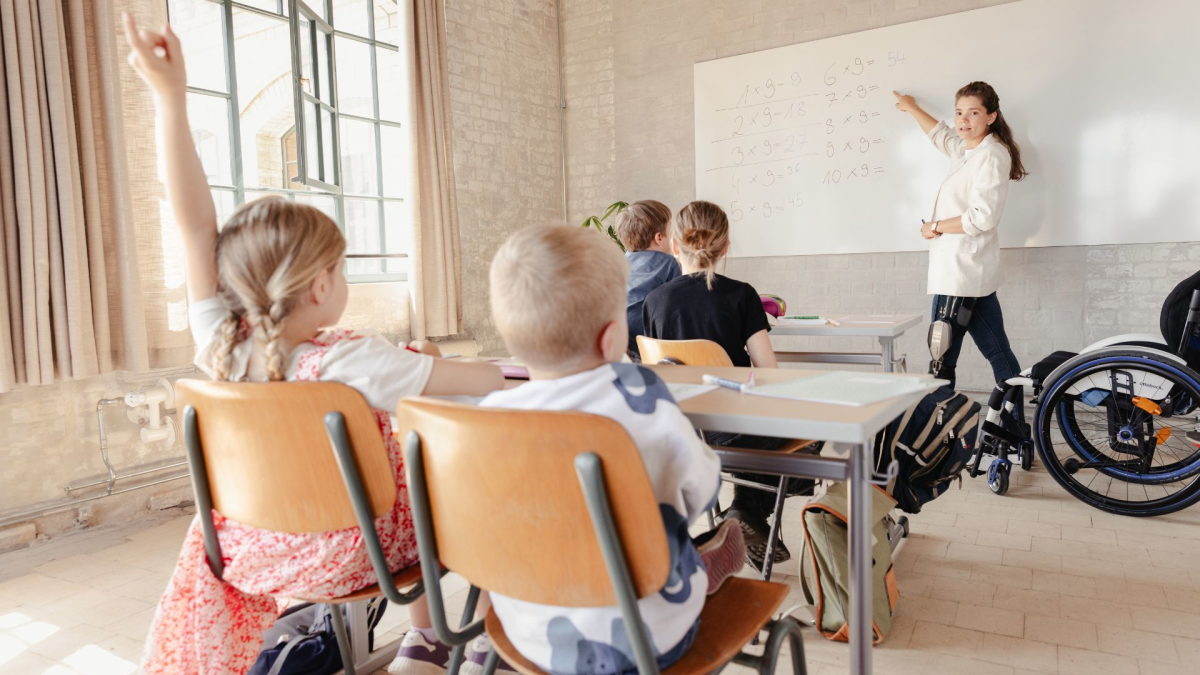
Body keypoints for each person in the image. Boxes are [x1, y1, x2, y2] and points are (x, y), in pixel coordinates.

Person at [123, 16, 504, 675]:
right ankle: (443, 633)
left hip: (255, 547)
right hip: (352, 550)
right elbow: (487, 385)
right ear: (323, 283)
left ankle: (419, 640)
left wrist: (170, 99)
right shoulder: (354, 361)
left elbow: (193, 227)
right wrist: (453, 367)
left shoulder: (221, 343)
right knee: (464, 477)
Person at [480, 225, 742, 674]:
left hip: (523, 630)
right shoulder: (642, 398)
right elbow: (700, 490)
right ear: (610, 337)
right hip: (644, 637)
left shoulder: (486, 417)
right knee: (693, 529)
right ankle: (704, 560)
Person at [641, 201, 814, 570]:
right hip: (738, 431)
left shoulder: (654, 302)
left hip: (682, 432)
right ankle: (746, 510)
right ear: (725, 248)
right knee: (804, 431)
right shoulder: (741, 295)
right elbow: (768, 371)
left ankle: (744, 512)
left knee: (762, 425)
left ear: (674, 246)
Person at [893, 82, 1028, 395]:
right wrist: (912, 107)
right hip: (967, 273)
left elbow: (982, 217)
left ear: (991, 116)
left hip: (960, 273)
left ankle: (939, 432)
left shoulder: (991, 155)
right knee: (997, 353)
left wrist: (936, 226)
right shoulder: (969, 150)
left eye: (973, 113)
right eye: (959, 113)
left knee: (942, 359)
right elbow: (941, 136)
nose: (964, 120)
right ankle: (1014, 428)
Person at [616, 200, 681, 359]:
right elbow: (678, 306)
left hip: (619, 336)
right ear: (659, 238)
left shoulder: (619, 263)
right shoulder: (668, 263)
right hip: (647, 340)